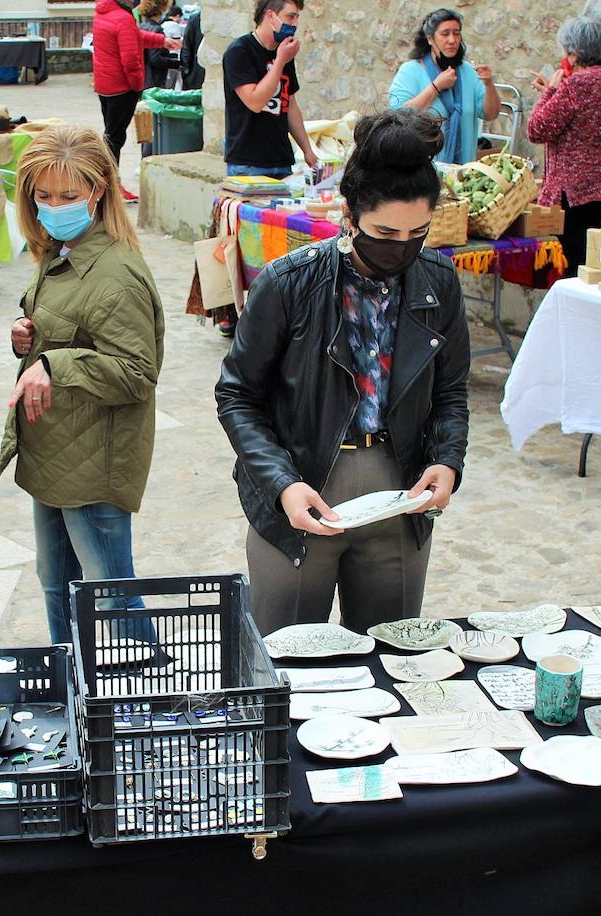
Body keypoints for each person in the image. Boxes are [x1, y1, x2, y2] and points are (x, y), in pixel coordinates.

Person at [215, 108, 471, 633]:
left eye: (416, 233)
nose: (400, 249)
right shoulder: (289, 283)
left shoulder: (438, 282)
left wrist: (446, 461)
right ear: (348, 215)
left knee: (391, 658)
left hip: (400, 493)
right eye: (384, 232)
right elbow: (237, 395)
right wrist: (283, 484)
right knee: (289, 668)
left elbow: (450, 391)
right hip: (302, 491)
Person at [0, 125, 165, 644]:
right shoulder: (60, 249)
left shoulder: (114, 271)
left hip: (95, 462)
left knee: (111, 598)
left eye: (67, 195)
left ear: (98, 190)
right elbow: (71, 331)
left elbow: (137, 373)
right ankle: (72, 689)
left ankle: (144, 701)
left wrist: (55, 365)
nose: (53, 205)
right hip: (55, 450)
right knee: (59, 588)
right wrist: (29, 338)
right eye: (43, 195)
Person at [527, 17, 601, 271]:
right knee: (585, 261)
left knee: (573, 265)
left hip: (575, 194)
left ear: (574, 56)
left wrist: (551, 92)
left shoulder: (576, 85)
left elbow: (536, 129)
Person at [92, 0, 182, 201]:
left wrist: (161, 41)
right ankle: (109, 186)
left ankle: (108, 183)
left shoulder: (103, 12)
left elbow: (131, 36)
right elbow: (131, 59)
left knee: (111, 135)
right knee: (114, 138)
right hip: (121, 87)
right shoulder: (123, 17)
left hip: (105, 85)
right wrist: (137, 85)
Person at [387, 8, 501, 165]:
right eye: (445, 34)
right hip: (422, 171)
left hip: (463, 172)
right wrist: (436, 87)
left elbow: (491, 114)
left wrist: (489, 85)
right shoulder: (411, 70)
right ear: (430, 39)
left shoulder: (468, 72)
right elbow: (398, 115)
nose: (452, 40)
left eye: (456, 33)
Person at [222, 0, 319, 179]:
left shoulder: (283, 52)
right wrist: (280, 61)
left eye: (297, 17)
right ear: (270, 16)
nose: (295, 24)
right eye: (290, 16)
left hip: (281, 160)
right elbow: (255, 102)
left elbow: (289, 104)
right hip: (249, 163)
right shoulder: (239, 52)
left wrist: (307, 150)